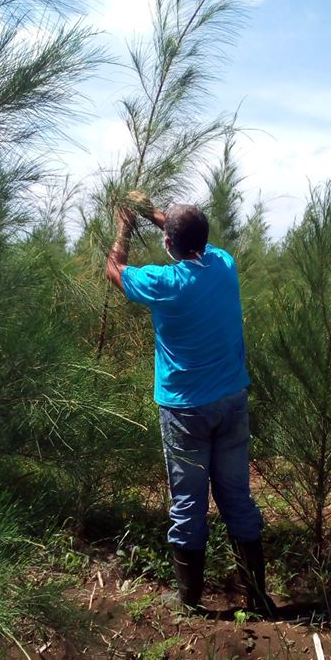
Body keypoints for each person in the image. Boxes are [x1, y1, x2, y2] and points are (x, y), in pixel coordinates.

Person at [105, 193, 277, 617]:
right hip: (231, 401)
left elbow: (114, 270)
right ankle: (257, 596)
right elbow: (188, 233)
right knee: (237, 496)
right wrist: (156, 213)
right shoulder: (224, 265)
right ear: (205, 238)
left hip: (184, 411)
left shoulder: (165, 284)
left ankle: (190, 603)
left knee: (188, 502)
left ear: (168, 245)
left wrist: (126, 224)